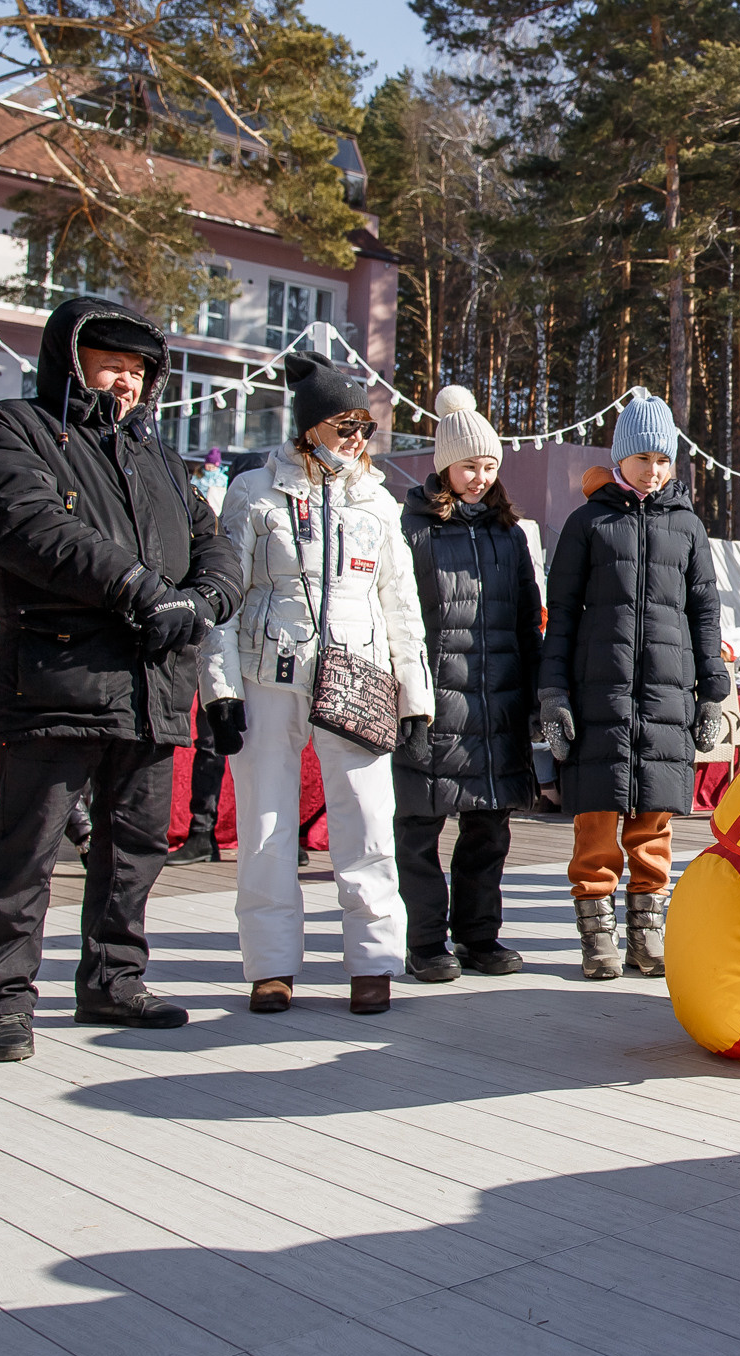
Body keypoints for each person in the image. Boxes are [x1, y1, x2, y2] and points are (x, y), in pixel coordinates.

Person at [0, 296, 243, 1062]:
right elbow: (32, 530)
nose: (125, 380)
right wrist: (141, 589)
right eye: (110, 363)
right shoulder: (12, 428)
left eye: (139, 369)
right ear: (72, 361)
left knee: (136, 845)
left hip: (153, 683)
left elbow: (208, 540)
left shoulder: (159, 456)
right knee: (28, 847)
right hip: (57, 674)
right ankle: (2, 998)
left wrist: (208, 596)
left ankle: (114, 980)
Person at [199, 351, 432, 1017]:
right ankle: (271, 966)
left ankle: (374, 961)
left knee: (366, 823)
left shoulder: (378, 503)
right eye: (346, 423)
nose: (359, 437)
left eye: (365, 425)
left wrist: (413, 696)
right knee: (267, 825)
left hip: (357, 676)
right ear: (310, 426)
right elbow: (226, 597)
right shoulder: (254, 491)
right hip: (268, 671)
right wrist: (220, 691)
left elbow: (400, 605)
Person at [539, 389, 728, 980]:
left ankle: (648, 934)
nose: (654, 469)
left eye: (664, 459)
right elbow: (561, 611)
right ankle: (598, 939)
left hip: (667, 698)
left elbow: (705, 611)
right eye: (643, 457)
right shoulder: (586, 523)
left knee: (654, 826)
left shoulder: (689, 527)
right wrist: (554, 692)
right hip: (599, 696)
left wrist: (714, 692)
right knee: (595, 823)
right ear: (620, 458)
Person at [395, 386, 542, 981]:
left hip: (499, 698)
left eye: (488, 466)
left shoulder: (511, 533)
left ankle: (480, 937)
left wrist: (532, 695)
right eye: (467, 466)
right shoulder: (413, 528)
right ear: (443, 466)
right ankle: (425, 943)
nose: (479, 477)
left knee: (488, 828)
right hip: (434, 699)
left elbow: (529, 616)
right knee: (420, 826)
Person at [166, 450, 233, 865]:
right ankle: (201, 830)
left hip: (233, 638)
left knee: (219, 740)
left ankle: (203, 830)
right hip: (207, 639)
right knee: (208, 740)